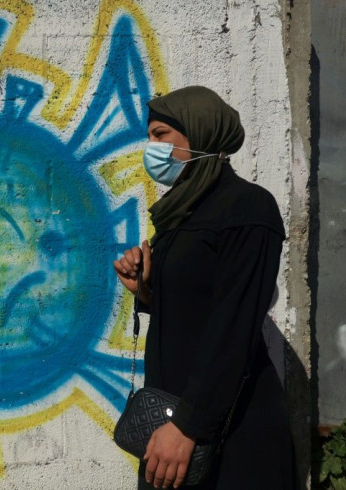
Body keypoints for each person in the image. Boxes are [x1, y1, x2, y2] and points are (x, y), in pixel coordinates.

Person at [113, 86, 296, 489]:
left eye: (160, 135)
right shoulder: (181, 211)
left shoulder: (247, 208)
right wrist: (145, 290)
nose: (151, 146)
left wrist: (188, 426)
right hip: (170, 423)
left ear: (200, 133)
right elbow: (193, 312)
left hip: (223, 432)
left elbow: (234, 327)